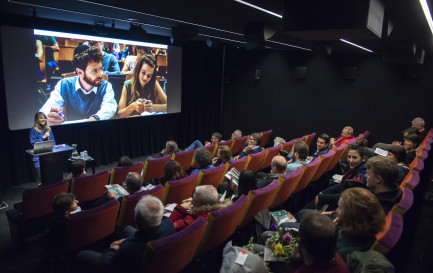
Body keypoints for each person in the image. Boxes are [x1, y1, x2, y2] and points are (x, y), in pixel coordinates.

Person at [78, 196, 175, 272]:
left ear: (136, 221)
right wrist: (125, 241)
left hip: (131, 261)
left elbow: (109, 266)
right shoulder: (169, 224)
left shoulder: (127, 249)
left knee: (83, 254)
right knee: (127, 229)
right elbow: (142, 237)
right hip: (152, 240)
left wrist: (111, 250)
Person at [39, 47, 117, 125]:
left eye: (100, 69)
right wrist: (49, 117)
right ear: (79, 72)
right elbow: (46, 109)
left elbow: (109, 107)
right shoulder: (64, 85)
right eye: (94, 71)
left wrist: (95, 119)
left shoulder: (105, 86)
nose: (100, 74)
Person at [335, 188, 385, 261]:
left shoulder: (344, 254)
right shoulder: (365, 234)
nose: (336, 211)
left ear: (351, 216)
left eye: (339, 208)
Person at [315, 143, 368, 210]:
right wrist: (323, 193)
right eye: (349, 157)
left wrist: (321, 197)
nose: (350, 160)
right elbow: (342, 185)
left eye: (354, 157)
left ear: (363, 158)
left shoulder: (361, 177)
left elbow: (345, 198)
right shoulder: (359, 167)